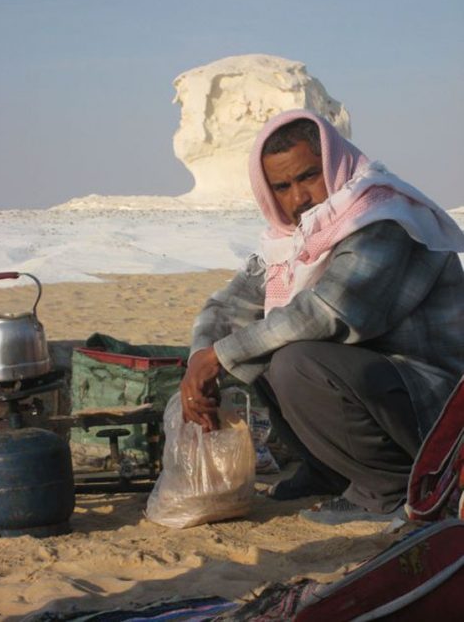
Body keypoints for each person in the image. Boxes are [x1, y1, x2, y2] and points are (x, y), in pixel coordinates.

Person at [180, 109, 464, 514]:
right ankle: (327, 470)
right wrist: (198, 363)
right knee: (258, 345)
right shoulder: (292, 241)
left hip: (433, 403)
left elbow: (330, 311)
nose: (298, 198)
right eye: (282, 186)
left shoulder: (382, 219)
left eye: (308, 176)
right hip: (373, 387)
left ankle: (391, 487)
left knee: (294, 359)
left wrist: (220, 357)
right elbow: (228, 305)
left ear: (333, 164)